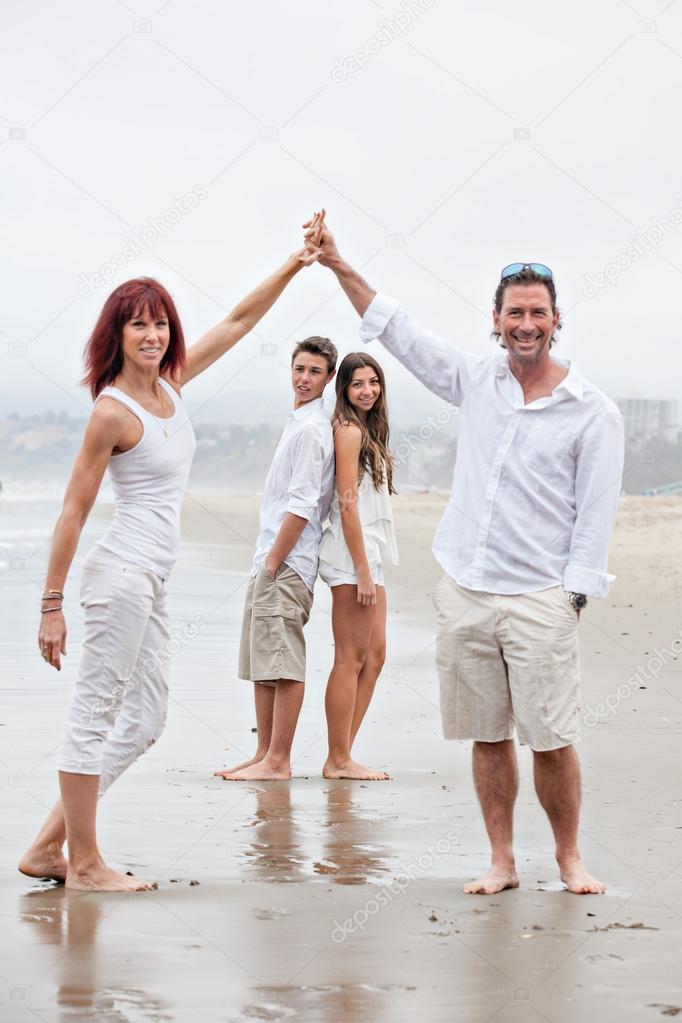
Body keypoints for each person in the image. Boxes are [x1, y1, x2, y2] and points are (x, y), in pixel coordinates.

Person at [304, 214, 625, 896]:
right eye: (515, 312)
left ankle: (568, 857)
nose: (526, 323)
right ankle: (502, 859)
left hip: (541, 594)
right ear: (497, 319)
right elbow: (401, 332)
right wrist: (337, 263)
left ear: (556, 319)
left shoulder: (591, 410)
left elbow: (596, 513)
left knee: (552, 736)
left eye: (538, 312)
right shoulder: (477, 379)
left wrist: (572, 595)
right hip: (469, 590)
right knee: (486, 735)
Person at [19, 224, 323, 892]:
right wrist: (50, 605)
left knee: (147, 718)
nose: (152, 335)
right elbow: (72, 510)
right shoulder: (113, 411)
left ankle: (48, 847)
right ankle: (87, 864)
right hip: (118, 575)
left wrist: (296, 264)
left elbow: (240, 320)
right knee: (95, 716)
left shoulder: (174, 386)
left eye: (159, 324)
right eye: (137, 326)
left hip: (152, 579)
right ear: (116, 336)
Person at [214, 335, 337, 782]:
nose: (305, 379)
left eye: (315, 372)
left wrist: (273, 563)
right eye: (300, 369)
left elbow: (303, 506)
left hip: (285, 562)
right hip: (270, 557)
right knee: (263, 662)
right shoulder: (298, 421)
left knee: (283, 661)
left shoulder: (310, 430)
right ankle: (264, 752)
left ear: (329, 378)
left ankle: (279, 760)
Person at [318, 353, 398, 780]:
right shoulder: (347, 431)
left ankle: (343, 752)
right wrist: (363, 569)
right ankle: (338, 758)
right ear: (344, 390)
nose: (367, 390)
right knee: (349, 657)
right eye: (357, 384)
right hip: (353, 553)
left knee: (376, 656)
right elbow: (347, 505)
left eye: (373, 382)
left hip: (369, 551)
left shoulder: (367, 430)